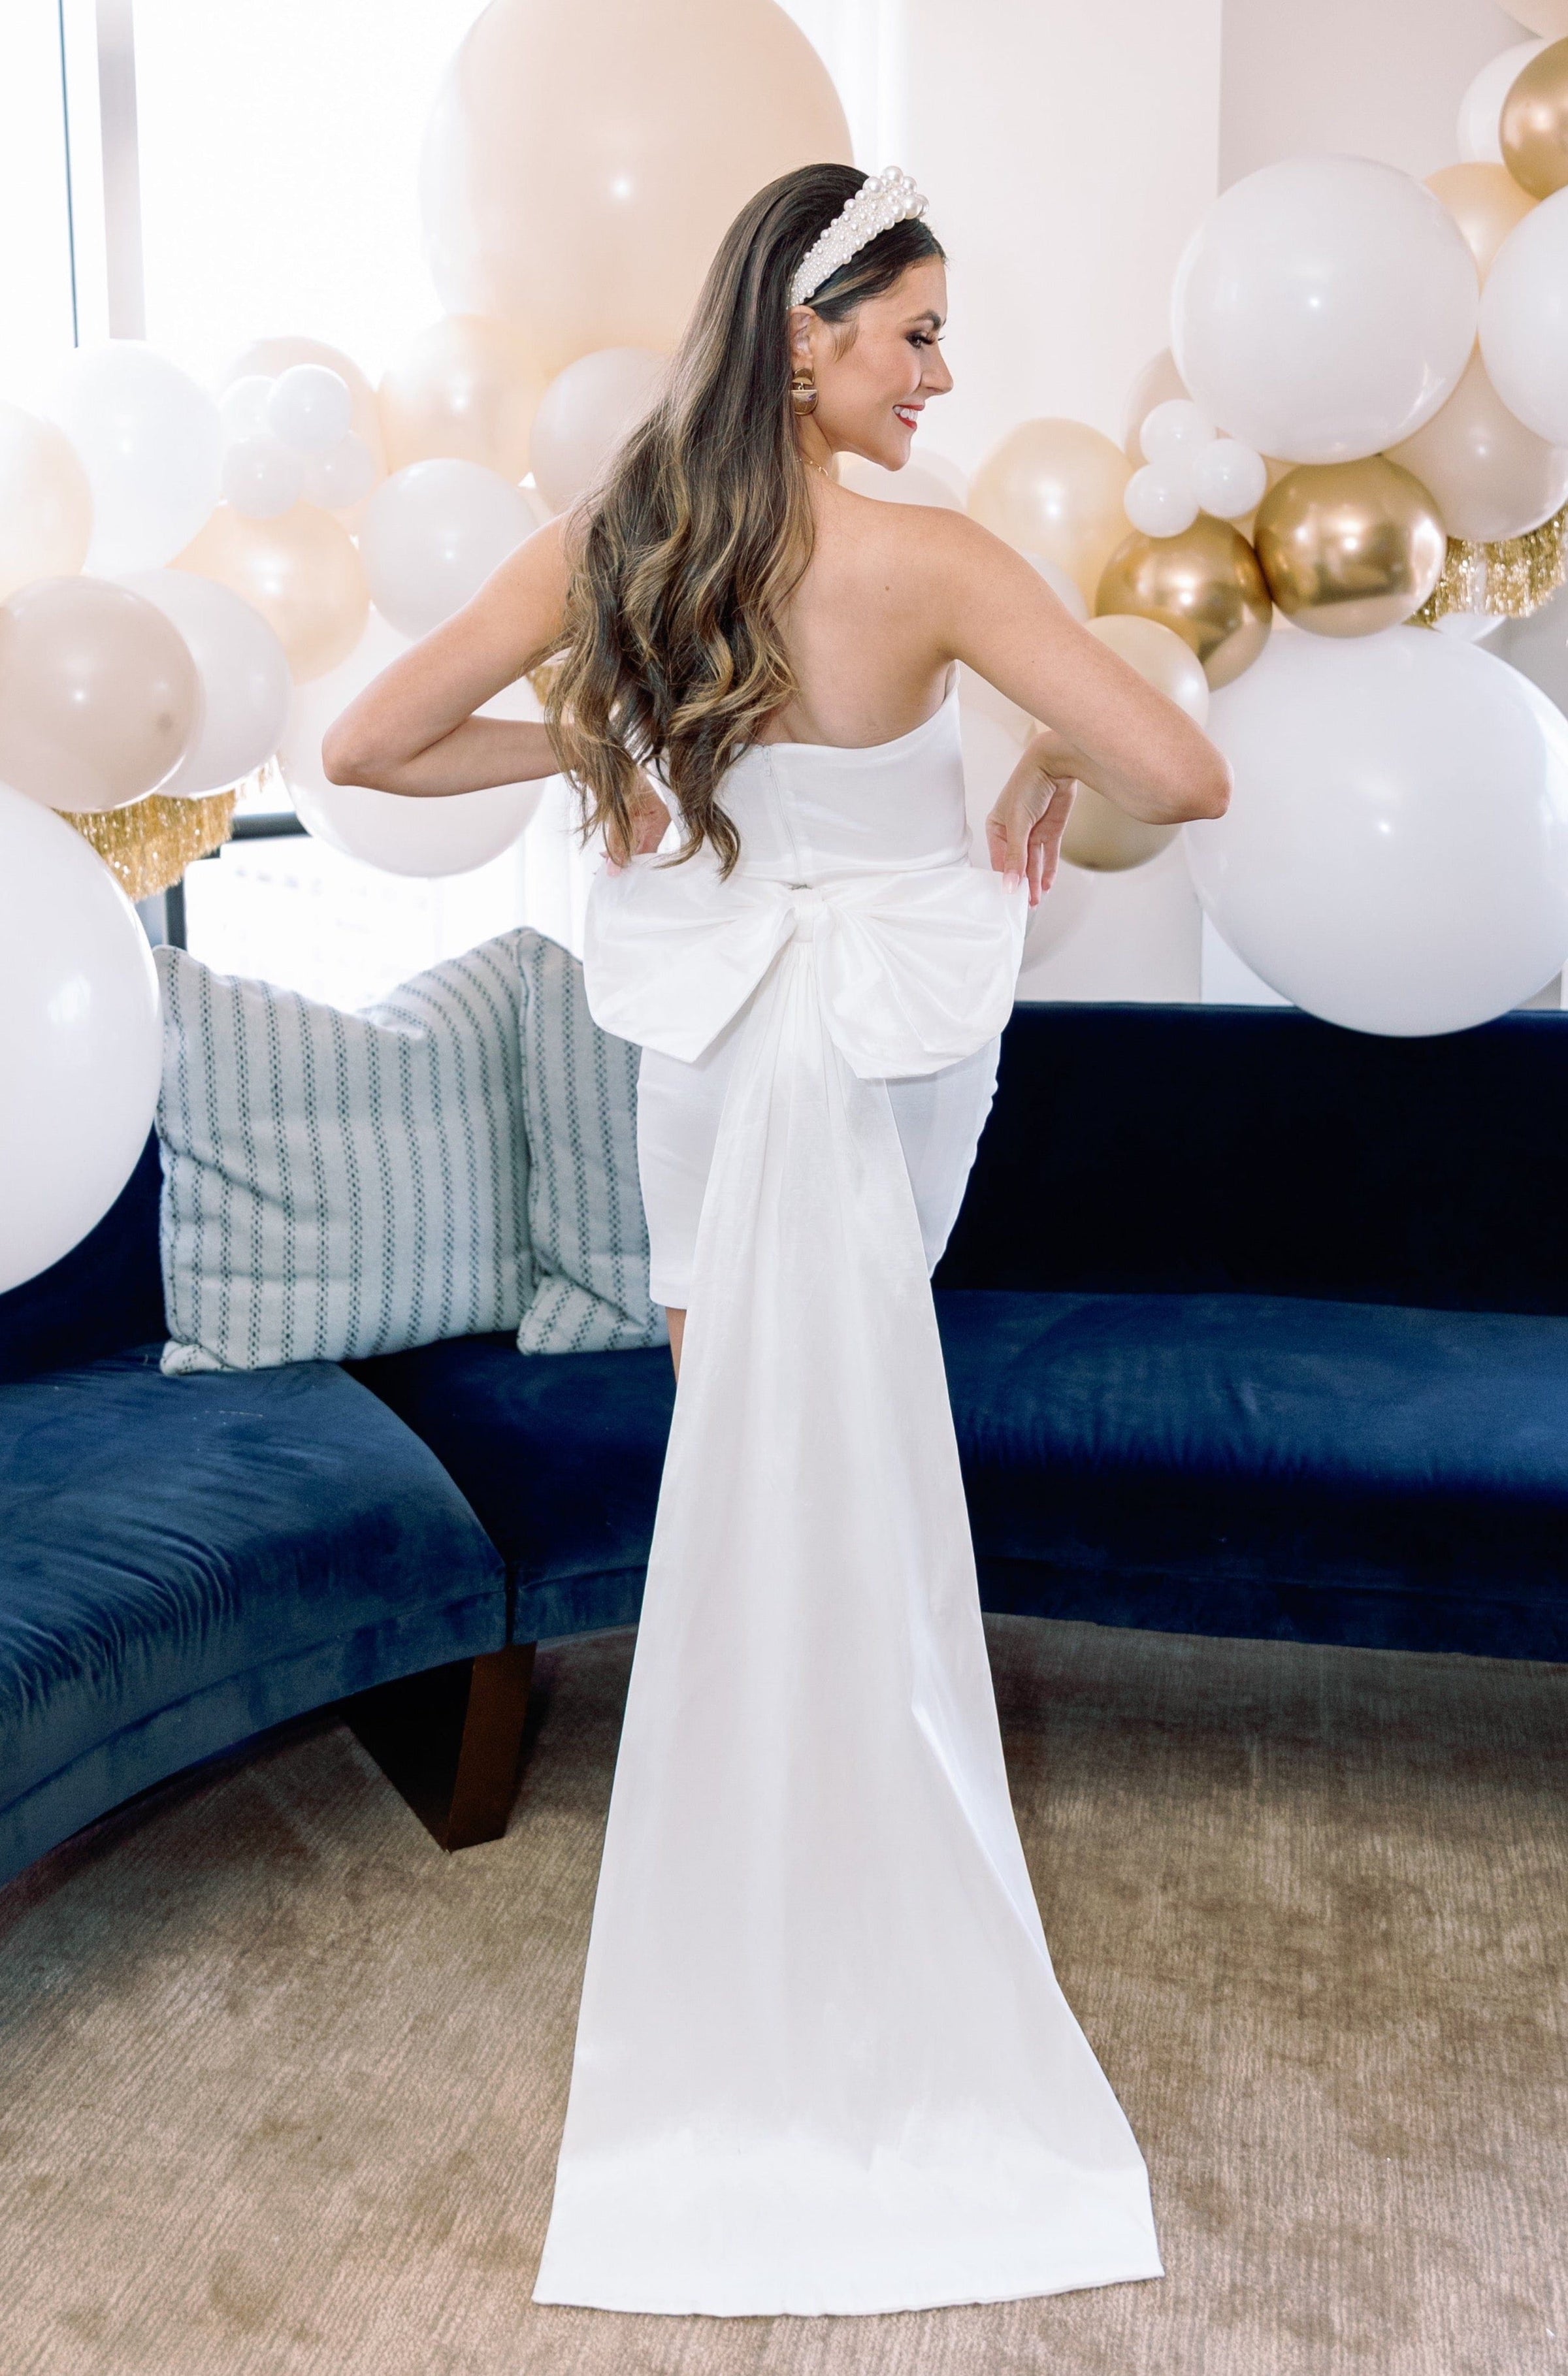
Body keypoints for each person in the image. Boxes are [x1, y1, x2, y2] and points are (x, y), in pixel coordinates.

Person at [323, 161, 1231, 2319]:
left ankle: (754, 1916)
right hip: (891, 1049)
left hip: (717, 1063)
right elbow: (1184, 775)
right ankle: (867, 1917)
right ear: (807, 336)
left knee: (746, 1476)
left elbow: (366, 745)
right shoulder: (934, 562)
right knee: (853, 1473)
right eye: (915, 333)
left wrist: (598, 737)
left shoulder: (623, 542)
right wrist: (1041, 750)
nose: (942, 374)